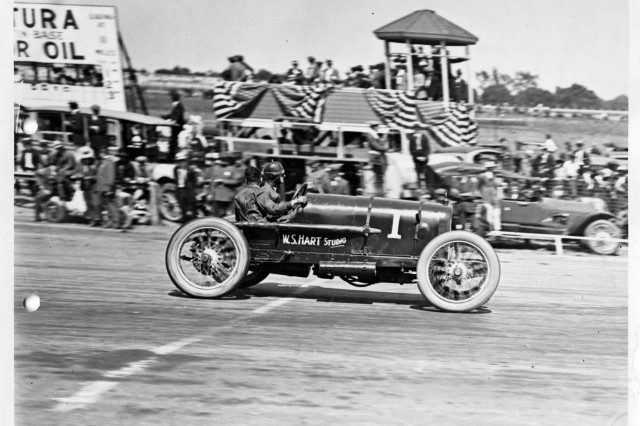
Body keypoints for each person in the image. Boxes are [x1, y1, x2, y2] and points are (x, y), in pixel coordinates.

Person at [206, 152, 245, 217]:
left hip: (229, 197)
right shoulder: (216, 168)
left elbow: (237, 181)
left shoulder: (233, 169)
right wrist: (210, 194)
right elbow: (212, 182)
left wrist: (224, 181)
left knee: (230, 216)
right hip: (217, 197)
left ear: (230, 160)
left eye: (226, 159)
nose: (223, 161)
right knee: (216, 216)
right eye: (222, 159)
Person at [93, 146, 117, 227]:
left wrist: (109, 187)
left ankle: (115, 222)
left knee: (110, 205)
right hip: (101, 187)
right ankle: (108, 221)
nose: (100, 154)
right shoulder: (102, 162)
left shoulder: (109, 162)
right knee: (105, 206)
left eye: (101, 153)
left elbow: (110, 176)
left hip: (106, 187)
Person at [74, 146, 98, 225]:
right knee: (87, 202)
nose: (86, 160)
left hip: (94, 186)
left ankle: (96, 218)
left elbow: (99, 175)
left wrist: (91, 177)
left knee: (94, 203)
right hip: (84, 186)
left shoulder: (95, 164)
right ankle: (90, 217)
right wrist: (78, 175)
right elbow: (76, 172)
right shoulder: (80, 163)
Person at [173, 151, 199, 222]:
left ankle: (194, 221)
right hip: (180, 190)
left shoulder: (190, 170)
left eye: (182, 161)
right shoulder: (176, 169)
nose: (181, 163)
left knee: (191, 208)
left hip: (188, 190)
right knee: (182, 206)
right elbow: (176, 179)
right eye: (179, 161)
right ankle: (185, 221)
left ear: (186, 161)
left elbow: (194, 181)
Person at [477, 161, 502, 233]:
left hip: (493, 195)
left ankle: (496, 228)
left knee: (496, 212)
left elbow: (497, 185)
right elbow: (479, 185)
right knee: (489, 212)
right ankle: (491, 228)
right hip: (486, 195)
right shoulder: (482, 176)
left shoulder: (494, 176)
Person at [365, 122, 388, 197]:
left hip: (377, 157)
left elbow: (378, 144)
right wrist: (384, 148)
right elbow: (375, 145)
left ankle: (379, 192)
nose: (378, 128)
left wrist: (384, 139)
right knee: (377, 175)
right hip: (375, 158)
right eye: (377, 127)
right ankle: (377, 193)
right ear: (374, 127)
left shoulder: (374, 134)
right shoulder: (370, 134)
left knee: (379, 176)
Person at [162, 91, 186, 160]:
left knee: (173, 140)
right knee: (173, 140)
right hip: (176, 126)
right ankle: (172, 154)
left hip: (177, 126)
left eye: (172, 97)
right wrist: (165, 117)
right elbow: (173, 115)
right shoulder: (177, 105)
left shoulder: (178, 106)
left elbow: (176, 115)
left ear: (173, 98)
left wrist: (174, 121)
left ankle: (172, 155)